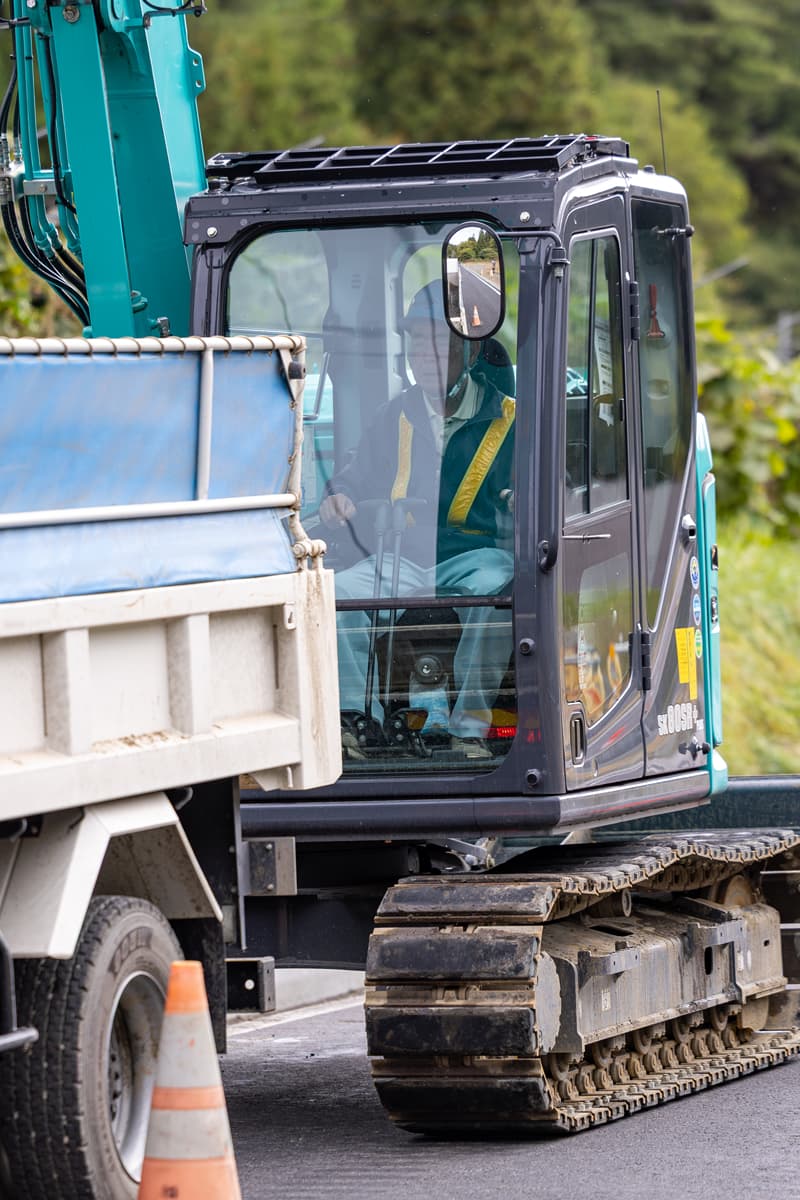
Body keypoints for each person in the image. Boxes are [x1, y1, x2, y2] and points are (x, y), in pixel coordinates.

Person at [320, 281, 515, 760]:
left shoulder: (511, 419)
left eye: (438, 344)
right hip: (400, 558)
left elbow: (544, 488)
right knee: (334, 595)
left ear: (469, 352)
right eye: (415, 344)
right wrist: (339, 496)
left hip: (474, 556)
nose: (424, 356)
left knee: (500, 592)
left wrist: (520, 500)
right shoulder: (394, 415)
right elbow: (354, 475)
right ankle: (355, 722)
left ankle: (469, 727)